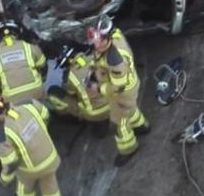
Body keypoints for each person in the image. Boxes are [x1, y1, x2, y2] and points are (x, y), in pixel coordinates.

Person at [86, 15, 149, 167]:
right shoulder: (113, 36)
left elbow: (118, 86)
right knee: (130, 109)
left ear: (106, 37)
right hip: (129, 87)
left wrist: (98, 89)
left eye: (97, 41)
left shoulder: (114, 58)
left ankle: (129, 149)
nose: (95, 45)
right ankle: (141, 126)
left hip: (122, 92)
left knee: (118, 124)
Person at [46, 48, 110, 133]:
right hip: (113, 103)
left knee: (54, 92)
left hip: (93, 113)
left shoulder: (70, 76)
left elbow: (71, 93)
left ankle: (73, 121)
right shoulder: (93, 58)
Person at [0, 21, 46, 105]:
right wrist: (42, 79)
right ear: (17, 33)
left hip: (11, 99)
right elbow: (43, 65)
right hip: (36, 92)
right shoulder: (29, 47)